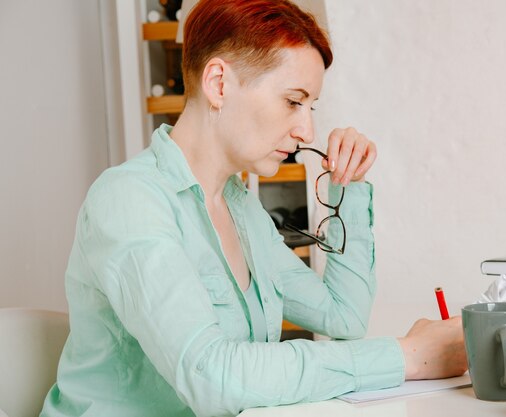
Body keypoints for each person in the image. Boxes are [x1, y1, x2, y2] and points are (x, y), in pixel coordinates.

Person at [40, 1, 467, 416]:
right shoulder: (129, 201)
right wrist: (407, 356)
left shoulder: (239, 208)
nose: (307, 131)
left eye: (310, 106)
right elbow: (210, 376)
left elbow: (344, 315)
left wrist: (348, 187)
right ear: (219, 83)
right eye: (292, 101)